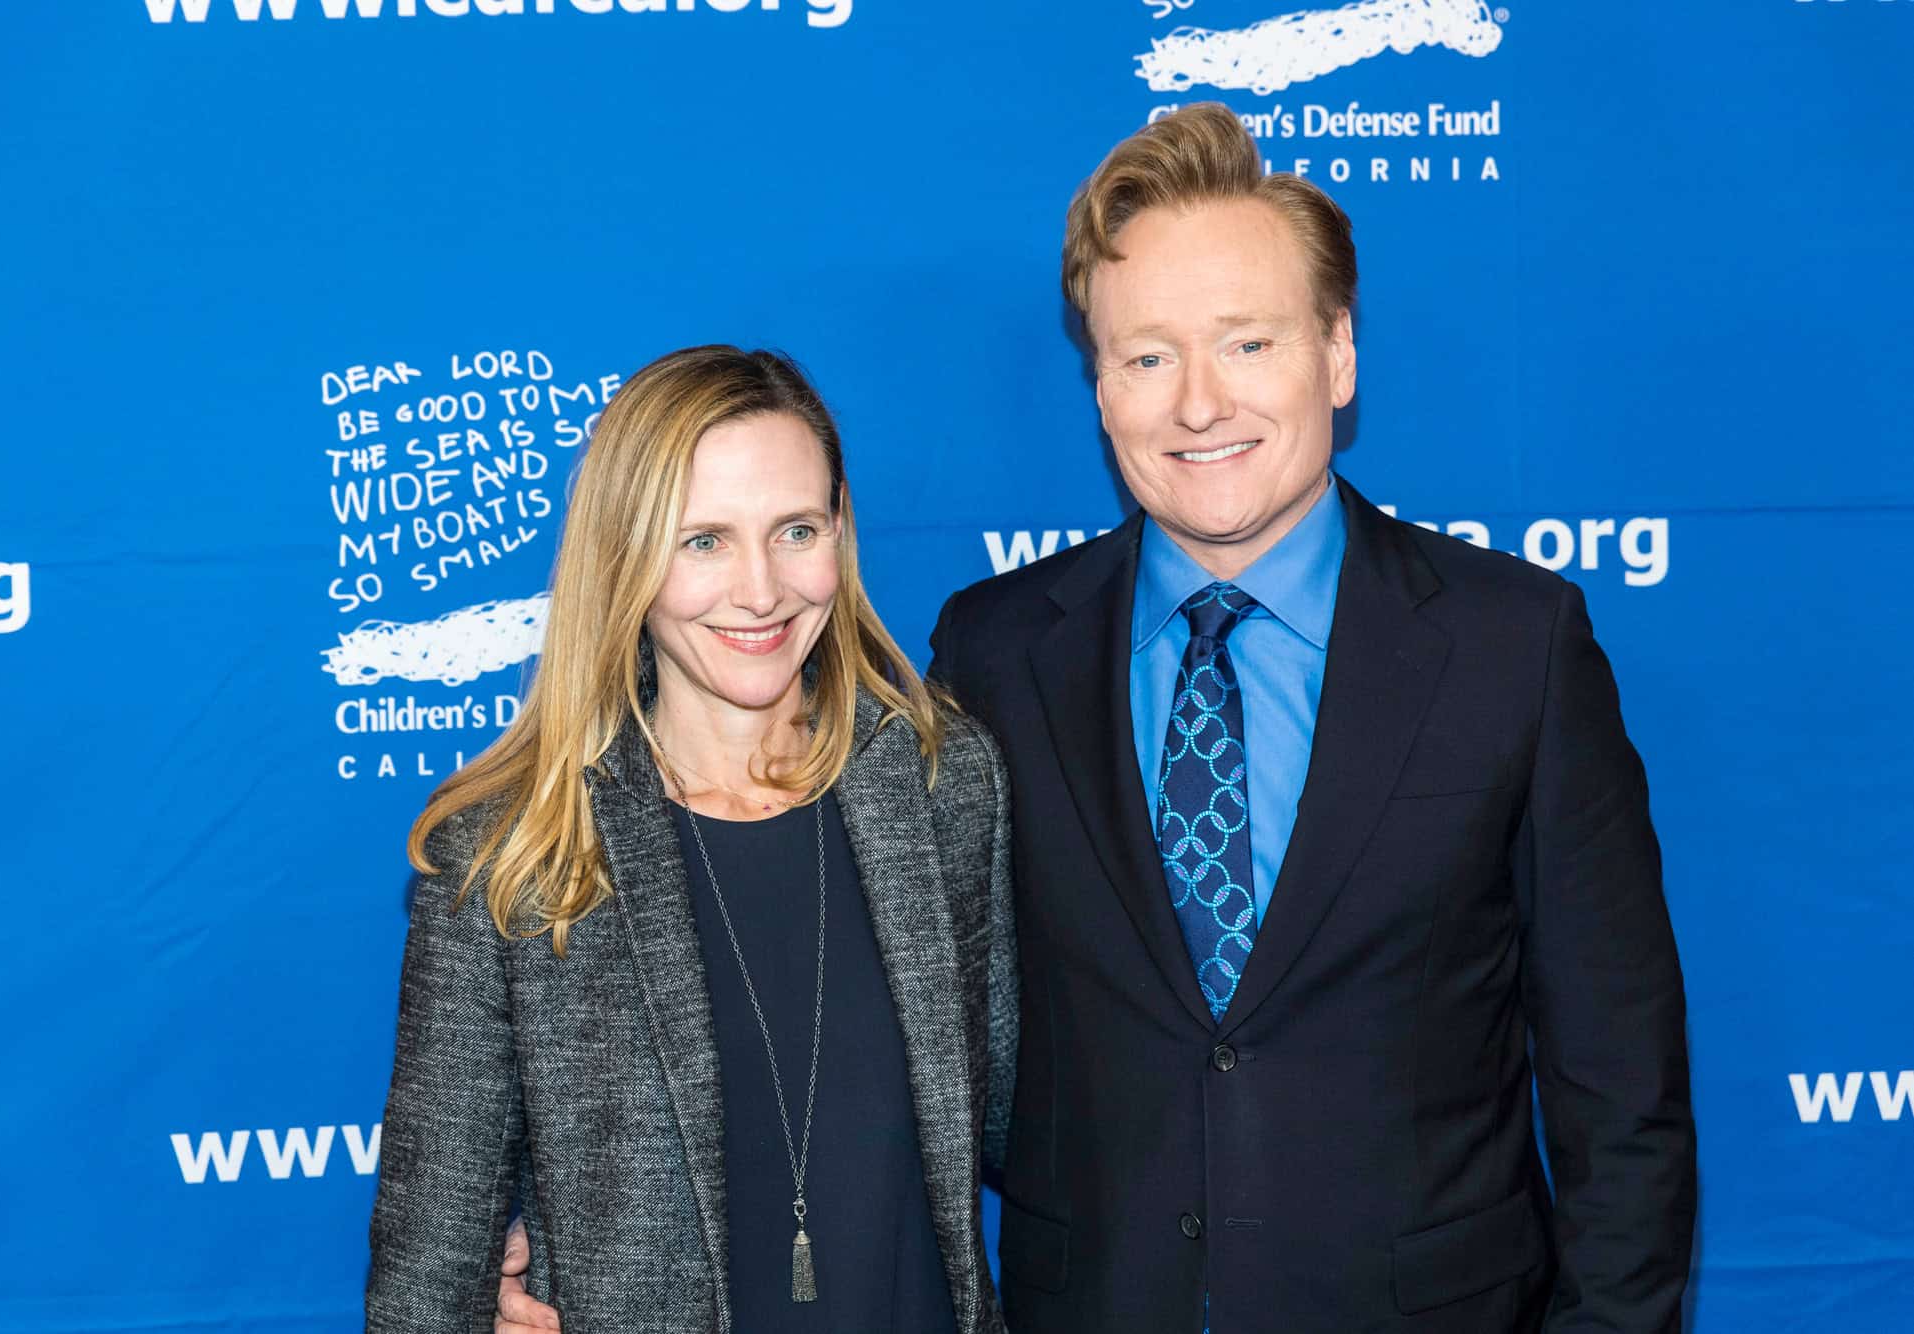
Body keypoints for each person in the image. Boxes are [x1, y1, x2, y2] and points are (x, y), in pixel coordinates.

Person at [499, 104, 1697, 1333]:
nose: (1199, 405)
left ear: (1337, 354)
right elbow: (841, 994)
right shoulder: (995, 654)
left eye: (1246, 343)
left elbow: (1622, 1091)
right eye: (1148, 357)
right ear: (1101, 387)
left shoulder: (1513, 646)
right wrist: (560, 1221)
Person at [367, 345, 1016, 1334]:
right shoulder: (515, 850)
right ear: (624, 555)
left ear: (840, 530)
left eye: (795, 530)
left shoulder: (943, 782)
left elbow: (1029, 1119)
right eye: (703, 540)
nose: (760, 590)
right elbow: (429, 1263)